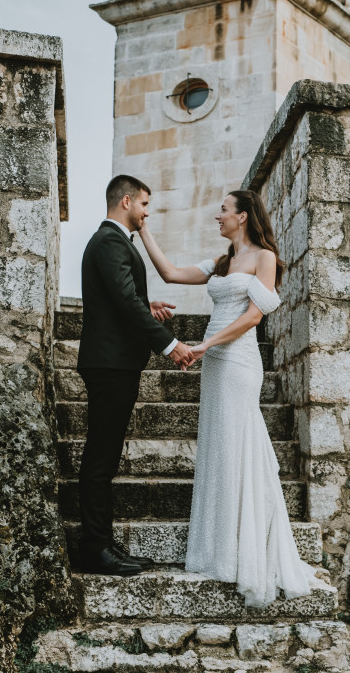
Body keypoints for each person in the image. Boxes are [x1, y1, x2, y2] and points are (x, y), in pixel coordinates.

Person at [139, 189, 319, 607]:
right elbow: (170, 273)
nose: (217, 216)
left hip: (237, 361)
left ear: (243, 216)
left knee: (238, 445)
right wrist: (144, 230)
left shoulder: (264, 258)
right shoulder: (221, 263)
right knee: (218, 446)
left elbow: (253, 316)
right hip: (215, 364)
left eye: (223, 210)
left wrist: (205, 344)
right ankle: (219, 548)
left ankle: (247, 549)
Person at [77, 174, 195, 576]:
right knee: (100, 458)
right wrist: (170, 344)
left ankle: (103, 543)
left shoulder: (112, 241)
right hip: (110, 364)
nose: (147, 212)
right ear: (126, 201)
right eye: (145, 204)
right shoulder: (110, 241)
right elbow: (124, 300)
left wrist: (147, 304)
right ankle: (95, 549)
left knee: (105, 456)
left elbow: (123, 297)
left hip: (115, 363)